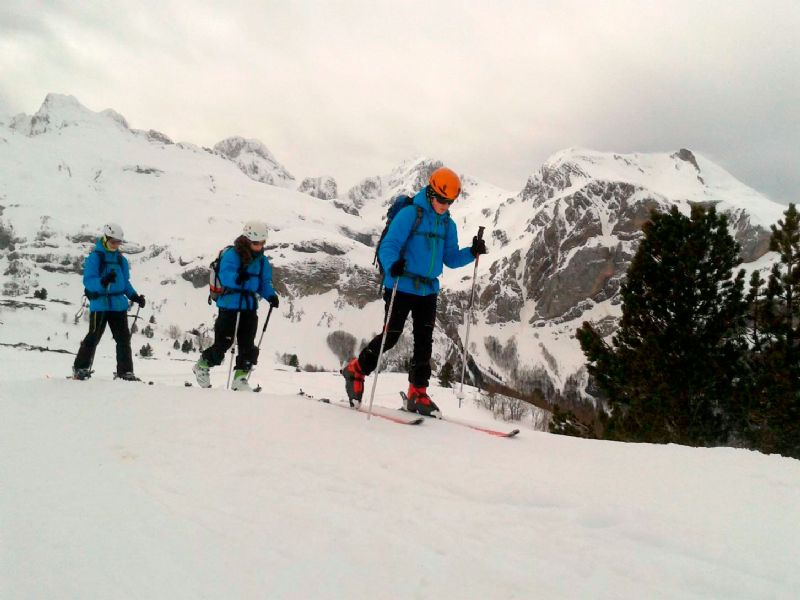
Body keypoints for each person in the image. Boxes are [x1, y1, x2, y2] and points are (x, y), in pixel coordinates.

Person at [341, 167, 487, 416]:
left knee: (424, 342)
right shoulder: (411, 214)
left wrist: (471, 253)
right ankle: (356, 370)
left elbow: (450, 258)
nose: (444, 205)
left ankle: (417, 392)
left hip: (428, 289)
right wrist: (391, 265)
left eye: (449, 201)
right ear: (431, 191)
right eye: (441, 199)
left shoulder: (448, 225)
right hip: (401, 283)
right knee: (391, 336)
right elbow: (390, 245)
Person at [193, 220, 279, 391]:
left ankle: (240, 379)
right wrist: (237, 278)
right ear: (247, 240)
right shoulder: (232, 254)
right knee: (224, 343)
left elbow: (264, 282)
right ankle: (202, 365)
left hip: (249, 307)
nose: (259, 246)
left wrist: (270, 295)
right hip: (230, 306)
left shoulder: (262, 261)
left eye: (262, 242)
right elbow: (225, 275)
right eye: (256, 243)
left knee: (248, 345)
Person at [72, 223, 146, 380]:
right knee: (93, 337)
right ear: (105, 239)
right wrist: (103, 282)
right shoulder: (95, 258)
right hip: (100, 304)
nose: (116, 245)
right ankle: (80, 368)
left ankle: (125, 372)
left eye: (118, 242)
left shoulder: (121, 260)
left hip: (118, 305)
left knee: (123, 339)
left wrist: (134, 296)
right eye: (113, 242)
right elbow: (88, 280)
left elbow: (125, 282)